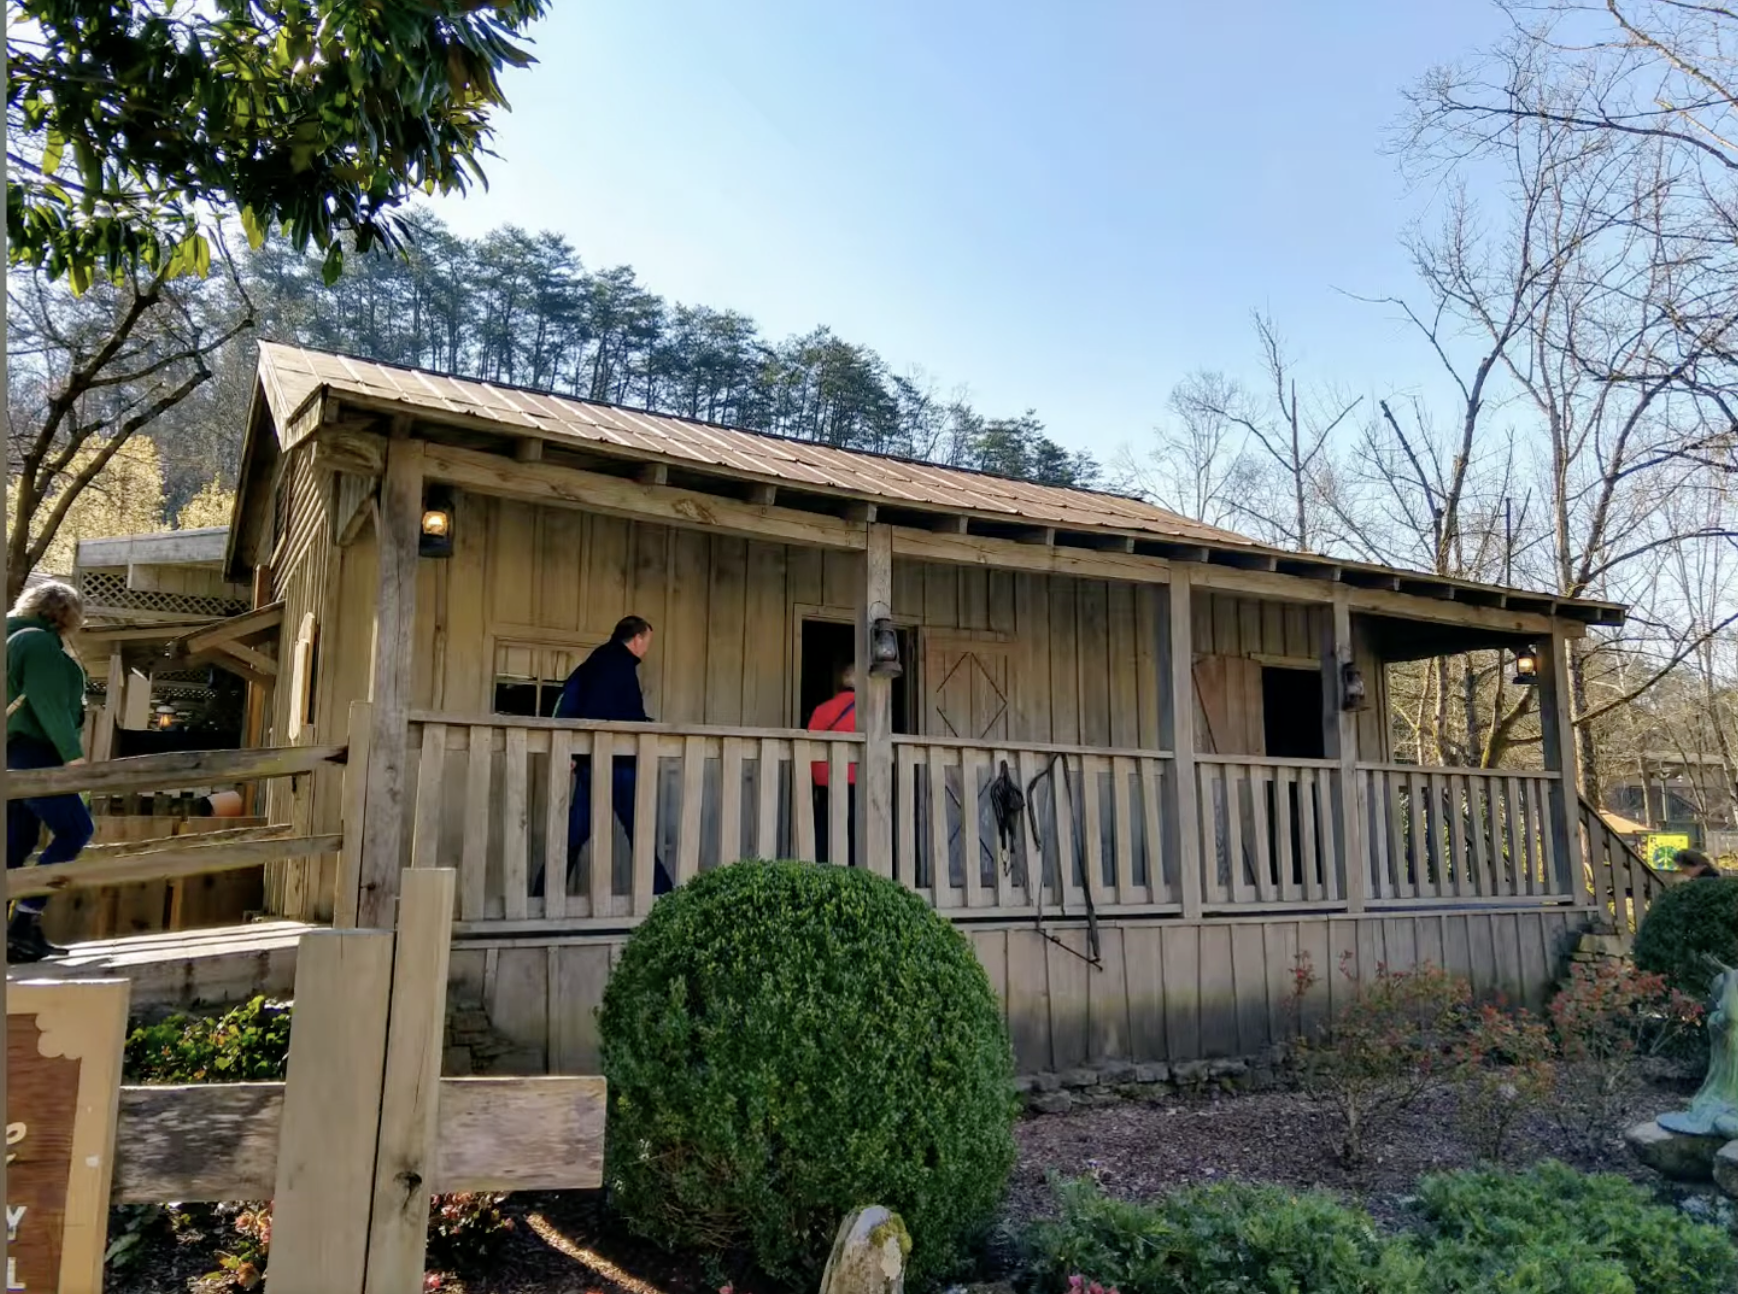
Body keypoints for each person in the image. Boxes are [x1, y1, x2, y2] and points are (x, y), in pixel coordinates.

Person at [552, 615, 672, 895]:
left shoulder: (595, 661)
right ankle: (664, 894)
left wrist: (569, 747)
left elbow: (566, 698)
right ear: (637, 638)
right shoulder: (622, 667)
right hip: (619, 764)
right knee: (638, 831)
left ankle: (544, 891)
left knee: (575, 833)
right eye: (647, 642)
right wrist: (649, 726)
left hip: (591, 761)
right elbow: (627, 716)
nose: (646, 650)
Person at [6, 580, 94, 962]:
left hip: (11, 753)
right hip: (33, 751)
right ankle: (24, 925)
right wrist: (73, 756)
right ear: (66, 615)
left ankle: (17, 934)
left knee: (16, 842)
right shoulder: (38, 643)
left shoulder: (13, 637)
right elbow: (47, 702)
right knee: (76, 828)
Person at [807, 663, 857, 865]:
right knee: (855, 838)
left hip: (826, 785)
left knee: (825, 837)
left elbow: (809, 751)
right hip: (857, 786)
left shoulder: (821, 710)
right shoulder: (869, 713)